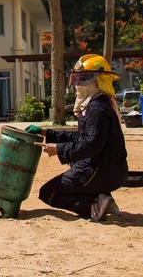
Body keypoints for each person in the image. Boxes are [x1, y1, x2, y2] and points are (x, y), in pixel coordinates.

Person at [26, 54, 128, 222]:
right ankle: (101, 196)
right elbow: (81, 137)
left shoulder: (96, 109)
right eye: (77, 78)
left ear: (99, 80)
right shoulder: (100, 103)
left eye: (84, 78)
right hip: (111, 170)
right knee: (75, 164)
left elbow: (90, 145)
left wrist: (58, 149)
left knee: (48, 193)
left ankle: (95, 205)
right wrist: (46, 132)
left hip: (100, 171)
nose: (78, 84)